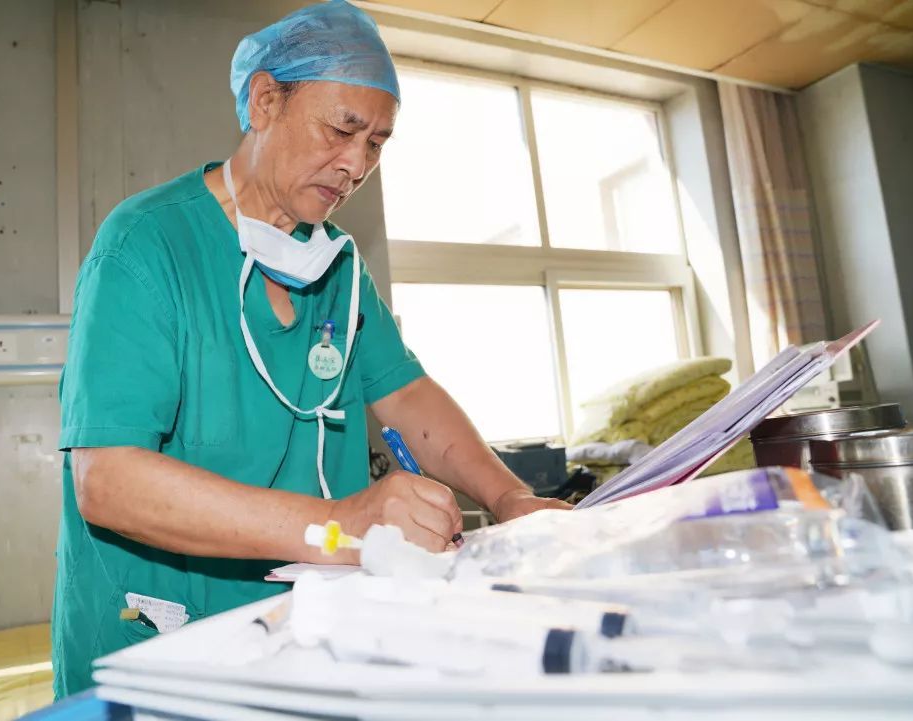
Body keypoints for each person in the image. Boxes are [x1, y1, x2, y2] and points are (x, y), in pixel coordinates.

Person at [52, 0, 569, 698]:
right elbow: (108, 481)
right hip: (159, 642)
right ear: (264, 101)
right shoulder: (147, 246)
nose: (356, 164)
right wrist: (341, 525)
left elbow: (407, 395)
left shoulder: (339, 268)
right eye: (342, 129)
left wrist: (510, 498)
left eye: (377, 144)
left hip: (306, 632)